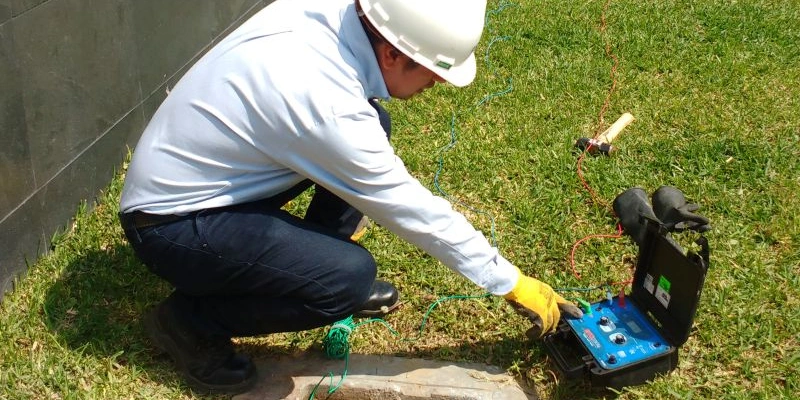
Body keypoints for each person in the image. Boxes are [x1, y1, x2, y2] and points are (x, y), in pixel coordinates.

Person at [119, 0, 581, 394]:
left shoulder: (341, 15)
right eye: (435, 71)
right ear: (392, 52)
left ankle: (301, 274)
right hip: (169, 227)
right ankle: (190, 322)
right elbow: (408, 207)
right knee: (348, 279)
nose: (438, 84)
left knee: (374, 126)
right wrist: (510, 281)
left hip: (211, 184)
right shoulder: (324, 102)